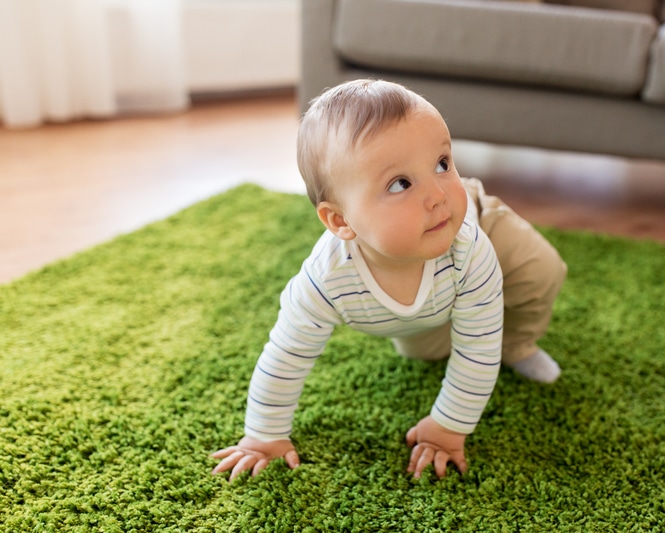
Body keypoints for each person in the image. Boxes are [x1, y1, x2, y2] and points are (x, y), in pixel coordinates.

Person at [211, 79, 567, 481]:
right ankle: (441, 315)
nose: (437, 194)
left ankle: (518, 343)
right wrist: (264, 435)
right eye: (400, 184)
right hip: (426, 294)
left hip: (479, 224)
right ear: (341, 221)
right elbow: (286, 356)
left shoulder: (471, 248)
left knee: (541, 271)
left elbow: (478, 345)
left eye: (441, 164)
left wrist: (448, 427)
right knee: (427, 350)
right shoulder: (324, 281)